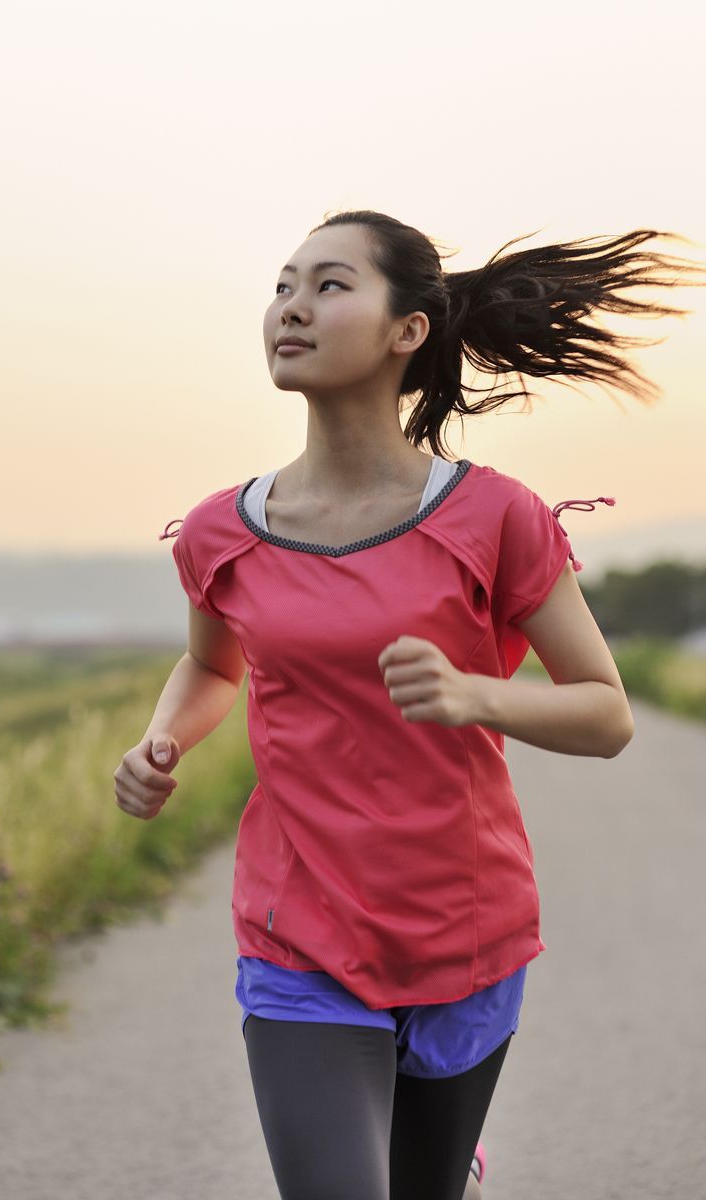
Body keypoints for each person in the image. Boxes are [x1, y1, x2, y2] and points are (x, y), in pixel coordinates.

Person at [114, 210, 703, 1200]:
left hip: (464, 929)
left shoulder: (492, 517)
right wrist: (160, 739)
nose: (290, 307)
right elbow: (214, 668)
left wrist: (477, 694)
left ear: (407, 331)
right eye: (281, 284)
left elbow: (605, 712)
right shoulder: (222, 530)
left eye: (330, 285)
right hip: (296, 930)